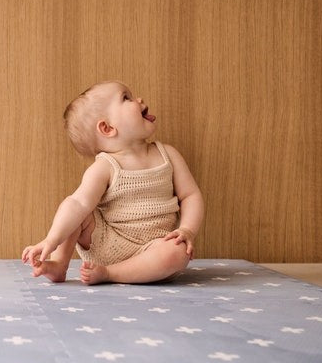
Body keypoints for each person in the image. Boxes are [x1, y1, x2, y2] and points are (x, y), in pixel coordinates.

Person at [21, 81, 204, 285]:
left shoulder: (168, 155)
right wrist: (51, 240)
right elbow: (78, 204)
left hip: (155, 248)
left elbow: (190, 195)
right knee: (77, 211)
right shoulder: (105, 167)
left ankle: (109, 273)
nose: (139, 100)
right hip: (108, 242)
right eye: (126, 98)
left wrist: (187, 230)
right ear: (107, 128)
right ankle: (59, 264)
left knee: (178, 253)